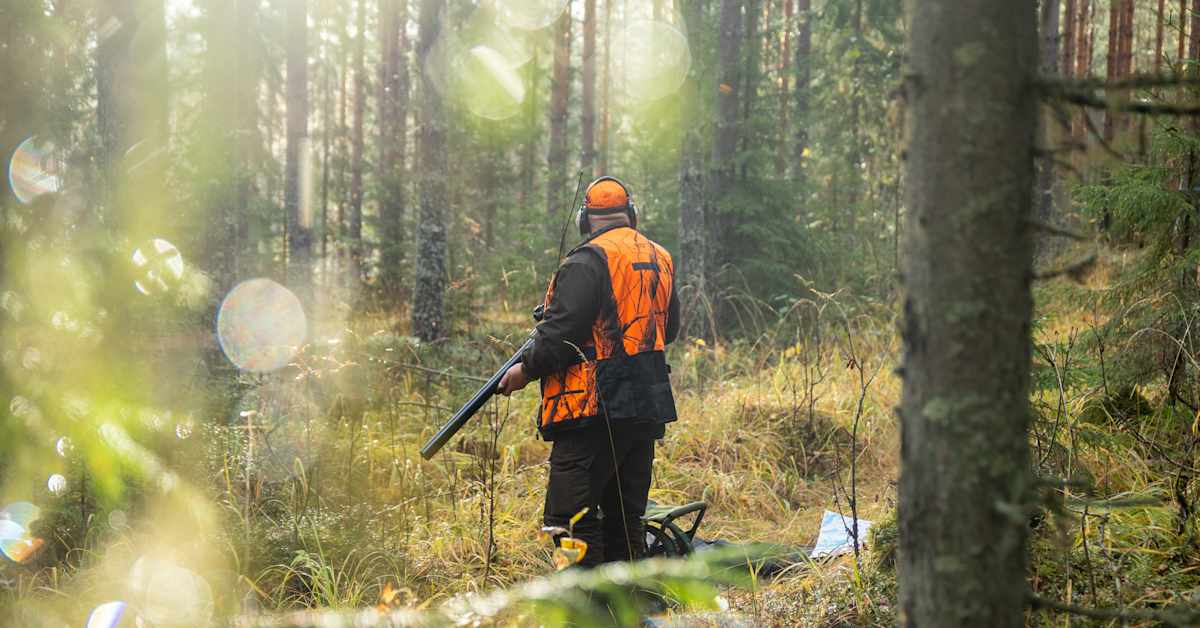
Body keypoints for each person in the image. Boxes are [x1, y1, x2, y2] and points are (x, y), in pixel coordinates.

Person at [498, 176, 680, 567]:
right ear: (630, 214)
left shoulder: (586, 261)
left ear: (586, 218)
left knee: (569, 522)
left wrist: (524, 371)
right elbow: (671, 328)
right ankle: (626, 606)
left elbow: (561, 335)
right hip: (646, 404)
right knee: (625, 518)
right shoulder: (660, 257)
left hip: (592, 409)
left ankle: (586, 609)